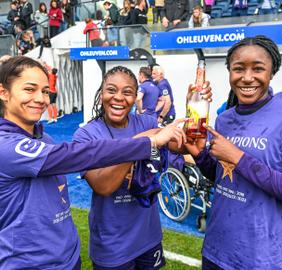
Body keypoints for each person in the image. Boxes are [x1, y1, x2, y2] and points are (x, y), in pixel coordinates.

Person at [0, 56, 184, 269]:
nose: (41, 99)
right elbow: (74, 157)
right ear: (3, 92)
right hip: (30, 263)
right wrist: (145, 142)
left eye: (45, 91)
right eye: (29, 89)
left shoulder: (43, 138)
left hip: (67, 258)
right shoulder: (7, 146)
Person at [184, 35, 282, 269]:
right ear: (230, 72)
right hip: (216, 251)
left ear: (272, 72)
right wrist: (200, 155)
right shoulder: (225, 118)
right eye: (238, 69)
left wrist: (238, 157)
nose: (247, 77)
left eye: (258, 69)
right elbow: (224, 177)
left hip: (262, 259)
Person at [72, 65, 212, 269]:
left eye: (127, 92)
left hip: (149, 237)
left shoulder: (147, 122)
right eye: (111, 90)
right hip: (112, 245)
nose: (118, 97)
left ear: (135, 96)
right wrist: (145, 141)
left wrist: (194, 108)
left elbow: (184, 145)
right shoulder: (87, 136)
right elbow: (103, 186)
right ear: (101, 93)